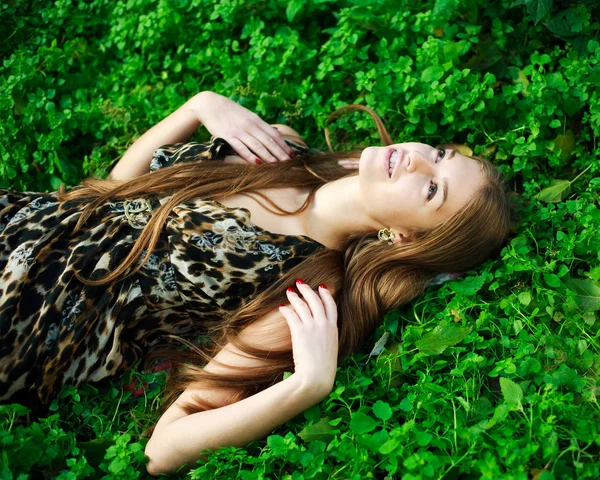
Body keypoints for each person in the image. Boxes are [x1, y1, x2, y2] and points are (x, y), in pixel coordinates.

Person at [0, 91, 511, 475]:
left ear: (403, 238)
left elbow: (162, 449)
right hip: (23, 218)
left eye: (431, 189)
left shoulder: (302, 288)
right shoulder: (280, 147)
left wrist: (306, 386)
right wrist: (197, 107)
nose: (418, 157)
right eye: (442, 154)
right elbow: (118, 196)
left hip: (25, 314)